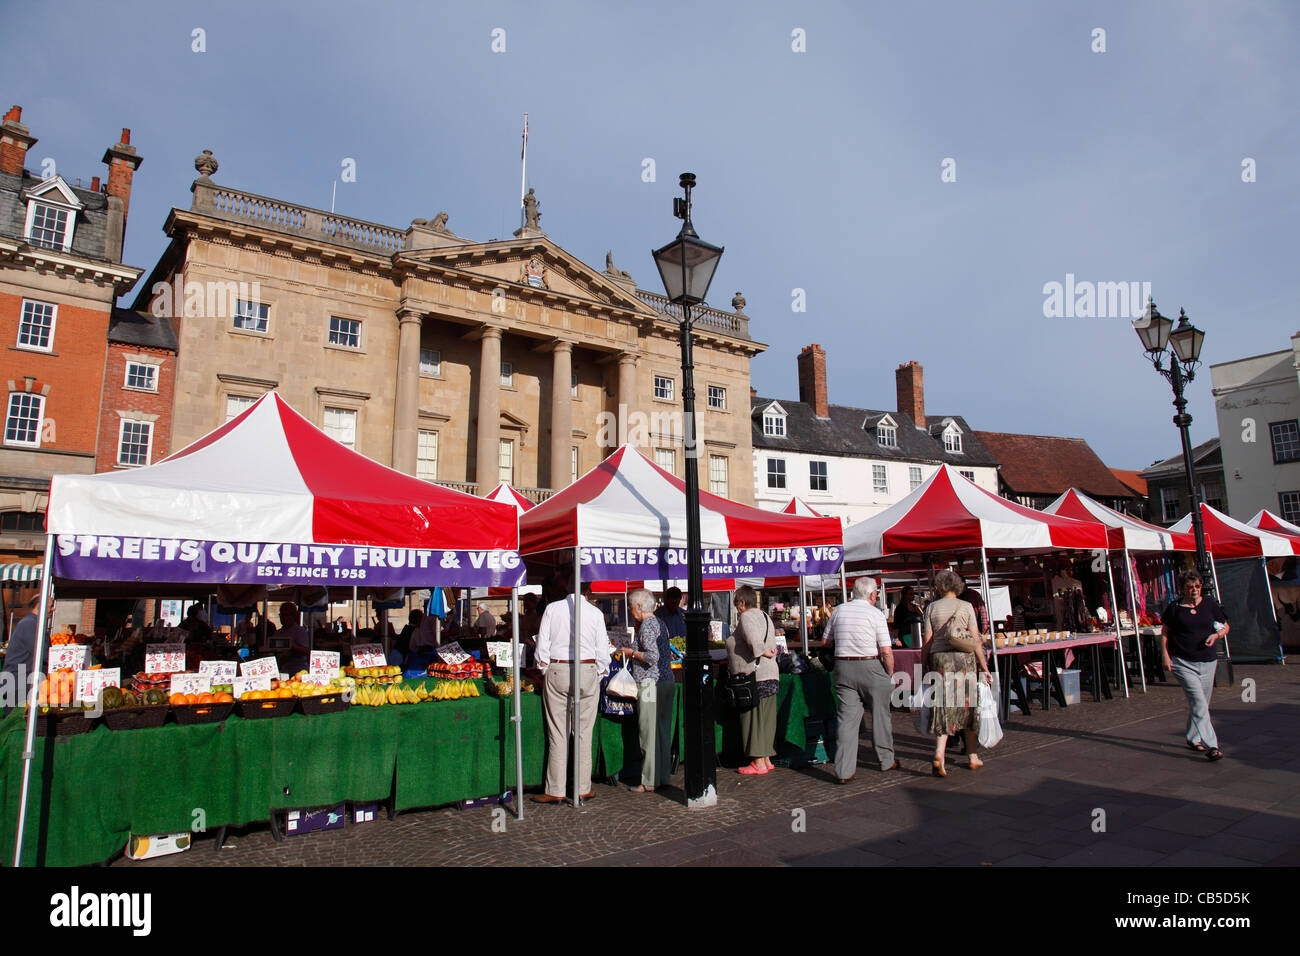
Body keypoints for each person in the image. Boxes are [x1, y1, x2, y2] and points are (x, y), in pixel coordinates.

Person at [532, 582, 612, 804]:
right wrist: (598, 673)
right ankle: (582, 788)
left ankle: (556, 789)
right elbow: (603, 650)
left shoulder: (552, 608)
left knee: (558, 732)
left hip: (559, 668)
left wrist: (545, 667)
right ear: (588, 591)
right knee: (584, 732)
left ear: (566, 587)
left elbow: (542, 647)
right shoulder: (595, 613)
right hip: (586, 668)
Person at [921, 570, 993, 777]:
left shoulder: (931, 608)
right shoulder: (966, 607)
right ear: (958, 586)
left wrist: (923, 662)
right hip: (963, 660)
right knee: (968, 708)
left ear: (940, 587)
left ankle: (939, 754)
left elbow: (927, 640)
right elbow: (975, 641)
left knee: (943, 707)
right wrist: (984, 667)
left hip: (940, 660)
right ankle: (972, 757)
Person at [825, 577, 897, 782]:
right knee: (881, 715)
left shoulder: (839, 610)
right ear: (873, 595)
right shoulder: (875, 614)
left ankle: (844, 771)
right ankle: (885, 759)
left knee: (846, 721)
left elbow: (825, 641)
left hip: (843, 666)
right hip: (870, 665)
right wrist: (889, 673)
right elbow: (886, 651)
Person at [1161, 569, 1228, 761]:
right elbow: (1165, 632)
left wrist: (1217, 635)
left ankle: (1192, 737)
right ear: (1182, 589)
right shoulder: (1174, 608)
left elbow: (1225, 626)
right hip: (1183, 662)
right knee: (1198, 702)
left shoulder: (1209, 604)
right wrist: (1165, 655)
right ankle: (1212, 745)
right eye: (1190, 587)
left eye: (1197, 586)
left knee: (1202, 704)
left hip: (1208, 661)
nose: (1194, 590)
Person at [619, 588, 675, 793]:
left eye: (631, 607)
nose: (630, 610)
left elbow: (652, 656)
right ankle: (662, 776)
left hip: (650, 683)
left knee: (648, 732)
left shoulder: (649, 625)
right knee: (661, 731)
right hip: (666, 681)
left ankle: (649, 780)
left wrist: (631, 652)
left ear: (640, 607)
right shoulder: (660, 622)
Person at [727, 586, 779, 775]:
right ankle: (765, 759)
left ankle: (758, 761)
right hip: (770, 673)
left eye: (736, 605)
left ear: (742, 603)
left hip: (754, 675)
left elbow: (753, 639)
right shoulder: (764, 615)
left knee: (753, 717)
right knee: (766, 718)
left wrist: (762, 651)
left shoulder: (747, 617)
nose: (737, 609)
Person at [2, 595, 48, 711]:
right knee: (17, 724)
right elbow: (42, 652)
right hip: (18, 685)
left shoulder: (34, 623)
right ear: (40, 606)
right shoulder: (30, 624)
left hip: (22, 683)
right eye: (51, 606)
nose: (53, 609)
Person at [279, 602, 311, 674]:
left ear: (294, 616)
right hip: (283, 671)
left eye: (286, 615)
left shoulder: (300, 631)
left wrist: (292, 647)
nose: (283, 617)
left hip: (298, 671)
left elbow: (307, 651)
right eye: (281, 615)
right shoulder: (278, 632)